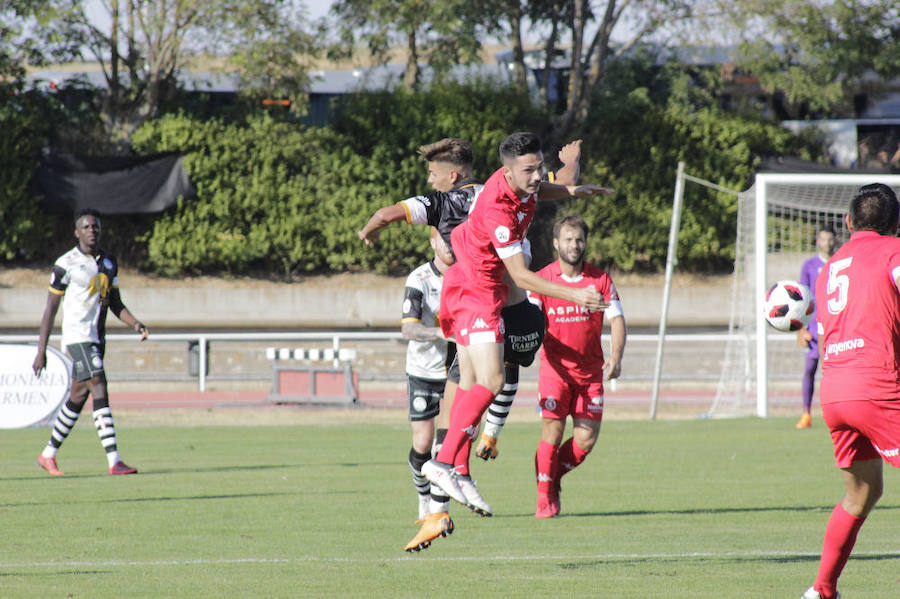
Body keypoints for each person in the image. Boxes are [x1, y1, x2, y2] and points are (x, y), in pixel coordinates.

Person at [416, 132, 612, 548]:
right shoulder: (500, 212)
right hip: (476, 291)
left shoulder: (520, 183)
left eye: (540, 166)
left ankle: (455, 472)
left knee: (472, 384)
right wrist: (576, 294)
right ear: (507, 172)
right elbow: (522, 276)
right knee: (493, 381)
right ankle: (443, 463)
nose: (538, 175)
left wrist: (570, 185)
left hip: (474, 287)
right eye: (530, 170)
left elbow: (546, 188)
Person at [802, 183, 900, 599]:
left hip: (836, 390)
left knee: (861, 493)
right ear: (896, 223)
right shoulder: (894, 252)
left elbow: (828, 331)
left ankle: (821, 590)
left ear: (848, 222)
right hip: (877, 385)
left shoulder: (829, 269)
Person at [32, 208, 148, 476]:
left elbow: (115, 303)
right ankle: (114, 460)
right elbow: (50, 310)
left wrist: (136, 324)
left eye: (95, 226)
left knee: (78, 395)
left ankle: (48, 455)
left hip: (97, 339)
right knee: (98, 384)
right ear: (77, 232)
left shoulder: (109, 262)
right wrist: (41, 351)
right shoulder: (66, 264)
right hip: (77, 338)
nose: (91, 231)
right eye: (86, 227)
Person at [529, 215, 626, 518]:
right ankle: (544, 499)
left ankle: (550, 476)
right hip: (554, 371)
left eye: (579, 239)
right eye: (568, 239)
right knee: (553, 432)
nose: (574, 245)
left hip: (590, 373)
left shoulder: (600, 280)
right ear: (556, 243)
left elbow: (617, 319)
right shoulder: (542, 280)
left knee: (586, 440)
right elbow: (531, 320)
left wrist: (616, 356)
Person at [402, 229, 454, 526]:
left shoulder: (468, 274)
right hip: (423, 371)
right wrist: (439, 332)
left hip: (457, 371)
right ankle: (424, 497)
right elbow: (407, 329)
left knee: (448, 442)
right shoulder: (419, 279)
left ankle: (439, 506)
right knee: (423, 443)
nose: (449, 245)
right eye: (443, 238)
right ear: (433, 241)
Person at [795, 227, 837, 429]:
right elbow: (801, 298)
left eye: (830, 239)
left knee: (835, 373)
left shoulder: (840, 261)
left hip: (835, 327)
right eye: (823, 239)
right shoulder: (809, 266)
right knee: (810, 369)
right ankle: (806, 413)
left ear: (835, 241)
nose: (827, 243)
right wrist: (800, 328)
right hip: (813, 328)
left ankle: (836, 414)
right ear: (818, 241)